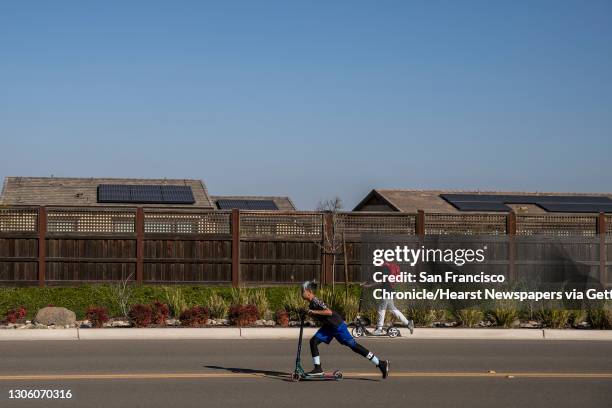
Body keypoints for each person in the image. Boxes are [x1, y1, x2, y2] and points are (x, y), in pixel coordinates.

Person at [301, 280, 390, 379]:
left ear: (309, 292)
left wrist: (313, 311)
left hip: (337, 325)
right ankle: (318, 369)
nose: (301, 293)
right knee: (313, 341)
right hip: (328, 327)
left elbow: (329, 312)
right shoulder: (311, 303)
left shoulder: (315, 301)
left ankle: (380, 363)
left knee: (353, 346)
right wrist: (307, 313)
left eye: (302, 291)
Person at [364, 262, 414, 335]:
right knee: (393, 309)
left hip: (386, 291)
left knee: (381, 309)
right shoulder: (388, 267)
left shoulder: (384, 268)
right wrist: (366, 283)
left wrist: (368, 285)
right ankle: (408, 323)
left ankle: (379, 329)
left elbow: (380, 281)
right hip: (390, 291)